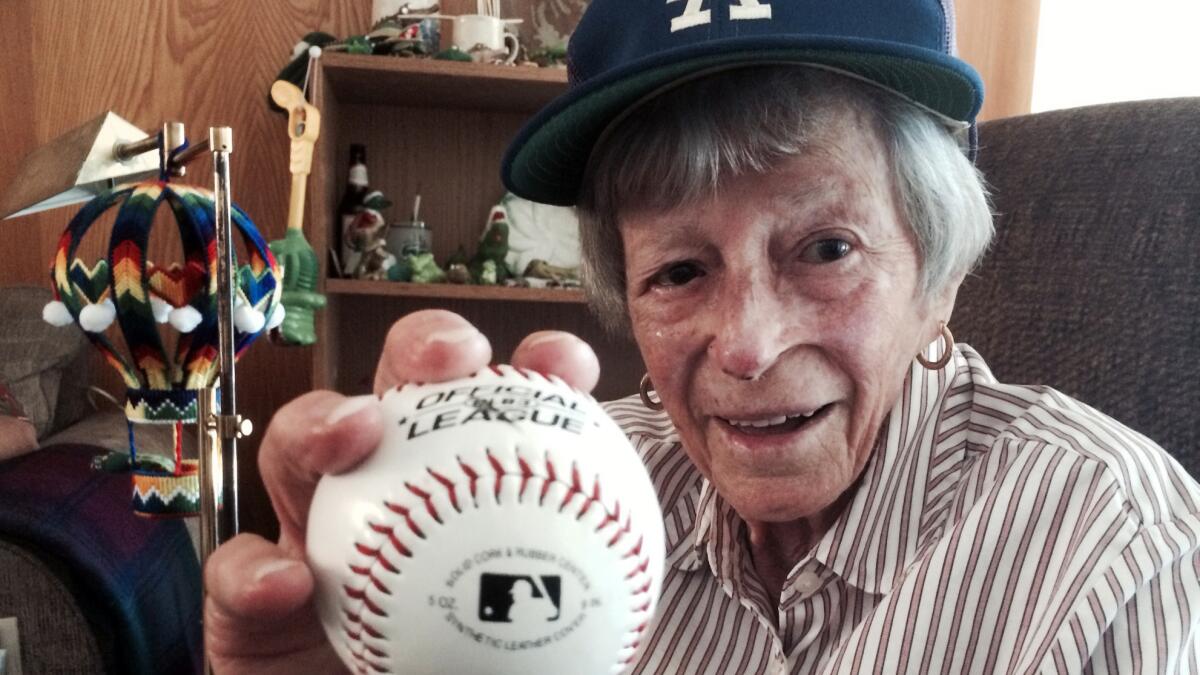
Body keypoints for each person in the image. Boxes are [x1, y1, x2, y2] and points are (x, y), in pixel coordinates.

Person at [205, 0, 1200, 672]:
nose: (748, 346)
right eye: (680, 270)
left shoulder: (1113, 549)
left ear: (935, 275)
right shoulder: (536, 516)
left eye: (825, 248)